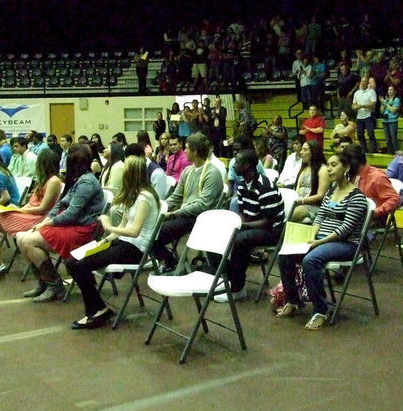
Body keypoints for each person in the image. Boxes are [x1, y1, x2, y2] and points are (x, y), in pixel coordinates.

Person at [275, 150, 369, 331]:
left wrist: (319, 242)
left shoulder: (357, 197)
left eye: (334, 165)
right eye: (329, 165)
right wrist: (312, 235)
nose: (329, 169)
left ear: (346, 167)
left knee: (311, 260)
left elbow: (345, 229)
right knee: (285, 254)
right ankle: (293, 301)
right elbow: (320, 216)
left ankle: (321, 311)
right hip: (321, 240)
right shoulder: (331, 192)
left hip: (346, 244)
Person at [65, 156, 161, 329]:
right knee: (72, 262)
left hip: (136, 249)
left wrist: (108, 226)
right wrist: (104, 241)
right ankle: (99, 308)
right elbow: (123, 226)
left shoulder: (145, 198)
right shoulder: (133, 195)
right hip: (124, 243)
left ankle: (96, 311)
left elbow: (134, 231)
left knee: (80, 266)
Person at [17, 144, 106, 303]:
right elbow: (60, 204)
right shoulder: (78, 179)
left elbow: (72, 213)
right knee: (20, 237)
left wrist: (47, 224)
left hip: (83, 229)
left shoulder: (87, 182)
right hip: (70, 225)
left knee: (29, 241)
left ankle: (54, 286)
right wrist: (46, 220)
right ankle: (44, 282)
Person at [0, 149, 61, 280]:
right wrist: (18, 208)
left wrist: (19, 211)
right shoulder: (43, 180)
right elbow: (31, 203)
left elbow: (42, 208)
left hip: (38, 219)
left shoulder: (54, 181)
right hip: (29, 215)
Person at [212, 149, 285, 304]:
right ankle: (228, 280)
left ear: (246, 166)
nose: (233, 165)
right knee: (216, 234)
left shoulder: (265, 186)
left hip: (273, 231)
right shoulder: (242, 185)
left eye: (237, 162)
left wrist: (242, 226)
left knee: (240, 239)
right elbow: (243, 213)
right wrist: (239, 224)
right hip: (254, 226)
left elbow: (268, 221)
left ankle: (238, 289)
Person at [151, 133, 224, 273]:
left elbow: (203, 205)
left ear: (195, 151)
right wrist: (159, 207)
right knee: (148, 227)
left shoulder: (212, 173)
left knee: (157, 232)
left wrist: (174, 213)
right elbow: (176, 196)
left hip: (200, 218)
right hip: (185, 215)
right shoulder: (188, 171)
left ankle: (170, 261)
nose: (184, 151)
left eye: (186, 148)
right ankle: (171, 261)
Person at [347, 144, 400, 220]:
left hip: (369, 220)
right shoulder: (347, 175)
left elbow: (395, 199)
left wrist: (375, 212)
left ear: (354, 162)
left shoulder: (377, 177)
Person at [290, 140, 329, 223]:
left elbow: (321, 195)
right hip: (298, 203)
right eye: (302, 149)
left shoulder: (323, 169)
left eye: (305, 150)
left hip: (314, 206)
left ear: (314, 152)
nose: (301, 152)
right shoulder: (304, 168)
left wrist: (302, 200)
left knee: (291, 213)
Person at [352, 76, 378, 153]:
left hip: (368, 115)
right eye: (362, 81)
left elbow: (373, 104)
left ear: (367, 83)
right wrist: (354, 107)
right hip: (359, 116)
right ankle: (364, 150)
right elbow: (353, 104)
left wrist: (363, 106)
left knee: (370, 133)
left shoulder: (371, 92)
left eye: (364, 81)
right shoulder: (357, 93)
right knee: (360, 135)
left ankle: (374, 150)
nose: (363, 83)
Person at [380, 86, 401, 154]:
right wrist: (382, 103)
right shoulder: (386, 100)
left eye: (391, 90)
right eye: (388, 90)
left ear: (395, 92)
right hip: (385, 121)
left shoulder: (396, 100)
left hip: (392, 121)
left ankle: (396, 153)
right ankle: (390, 153)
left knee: (393, 138)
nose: (389, 91)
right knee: (387, 140)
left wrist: (385, 103)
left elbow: (393, 110)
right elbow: (382, 111)